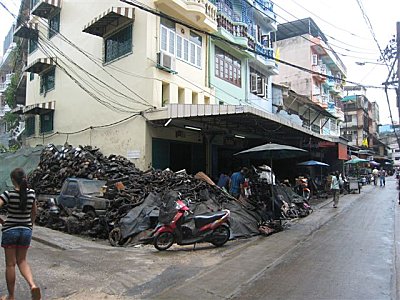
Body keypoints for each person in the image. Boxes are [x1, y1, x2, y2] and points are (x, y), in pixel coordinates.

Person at [0, 168, 41, 300]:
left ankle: (11, 296)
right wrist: (30, 225)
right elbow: (34, 212)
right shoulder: (32, 193)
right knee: (22, 261)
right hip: (26, 231)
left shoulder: (8, 194)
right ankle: (33, 285)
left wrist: (2, 221)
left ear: (13, 180)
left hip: (10, 230)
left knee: (10, 264)